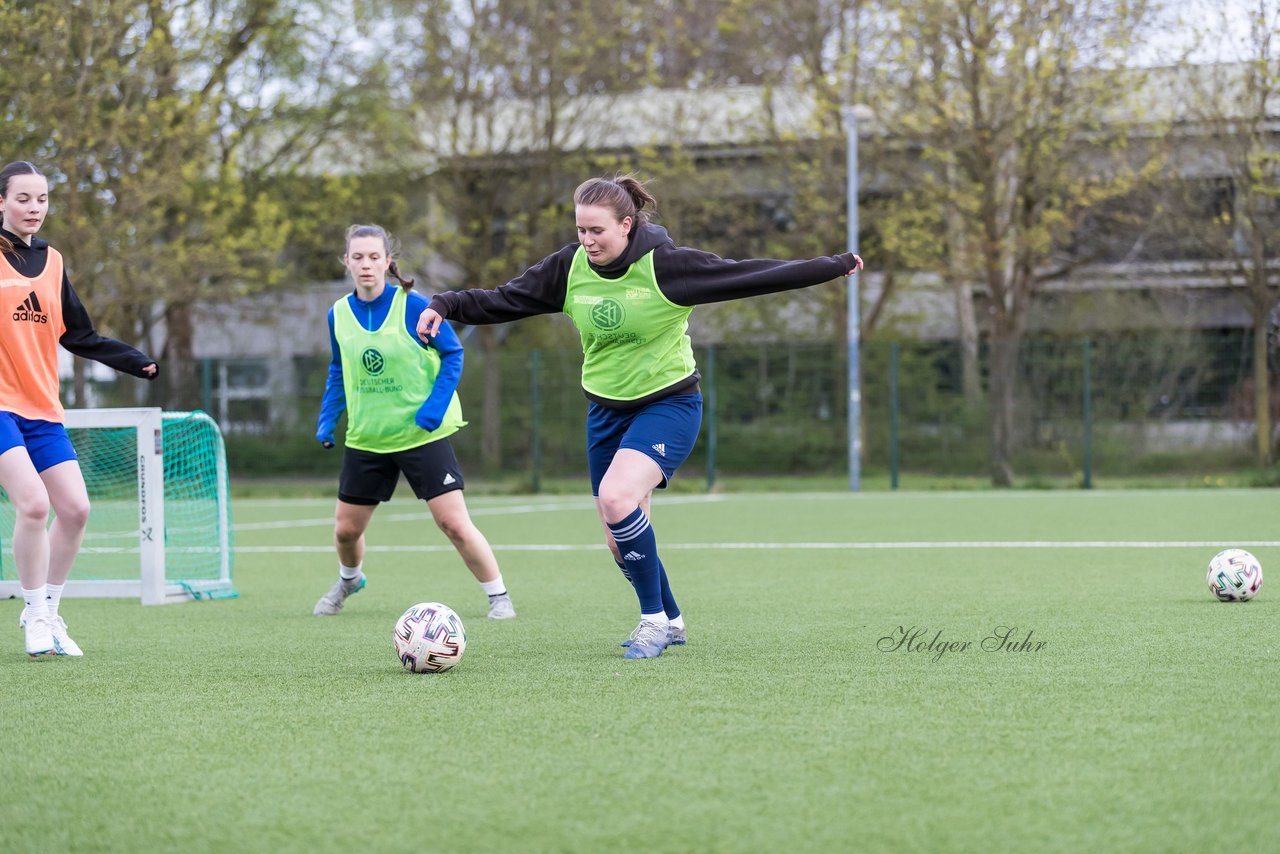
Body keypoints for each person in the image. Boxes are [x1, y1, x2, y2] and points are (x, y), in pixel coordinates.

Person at [417, 174, 862, 659]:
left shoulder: (668, 267)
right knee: (617, 538)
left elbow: (752, 275)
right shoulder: (569, 268)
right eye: (580, 230)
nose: (587, 241)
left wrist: (831, 266)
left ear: (627, 225)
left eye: (597, 231)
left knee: (616, 496)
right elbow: (505, 299)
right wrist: (447, 303)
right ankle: (671, 621)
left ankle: (651, 622)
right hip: (605, 412)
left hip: (668, 404)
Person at [314, 224, 515, 621]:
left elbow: (453, 354)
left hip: (422, 435)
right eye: (358, 257)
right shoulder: (337, 315)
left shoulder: (412, 305)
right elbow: (339, 370)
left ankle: (498, 596)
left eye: (374, 257)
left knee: (454, 524)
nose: (366, 264)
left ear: (388, 261)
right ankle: (349, 579)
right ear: (346, 262)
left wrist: (432, 410)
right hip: (368, 438)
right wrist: (327, 420)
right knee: (345, 532)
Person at [0, 161, 159, 657]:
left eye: (42, 199)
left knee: (75, 509)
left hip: (43, 408)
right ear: (1, 202)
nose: (34, 208)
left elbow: (78, 334)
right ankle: (33, 615)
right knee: (32, 504)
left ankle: (45, 610)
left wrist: (133, 361)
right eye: (23, 198)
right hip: (1, 408)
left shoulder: (54, 261)